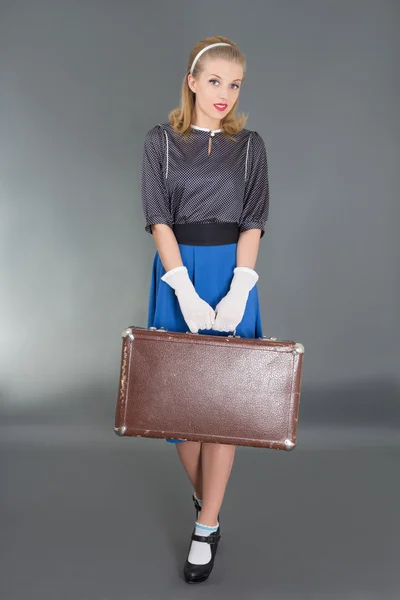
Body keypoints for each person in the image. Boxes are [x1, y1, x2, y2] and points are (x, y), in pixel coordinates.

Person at [140, 35, 269, 583]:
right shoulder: (161, 141)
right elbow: (158, 216)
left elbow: (255, 217)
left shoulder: (251, 145)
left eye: (234, 84)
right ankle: (208, 503)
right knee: (183, 411)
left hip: (231, 272)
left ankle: (207, 526)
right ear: (192, 81)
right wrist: (184, 291)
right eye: (215, 81)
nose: (225, 94)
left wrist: (239, 287)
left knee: (223, 406)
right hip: (178, 275)